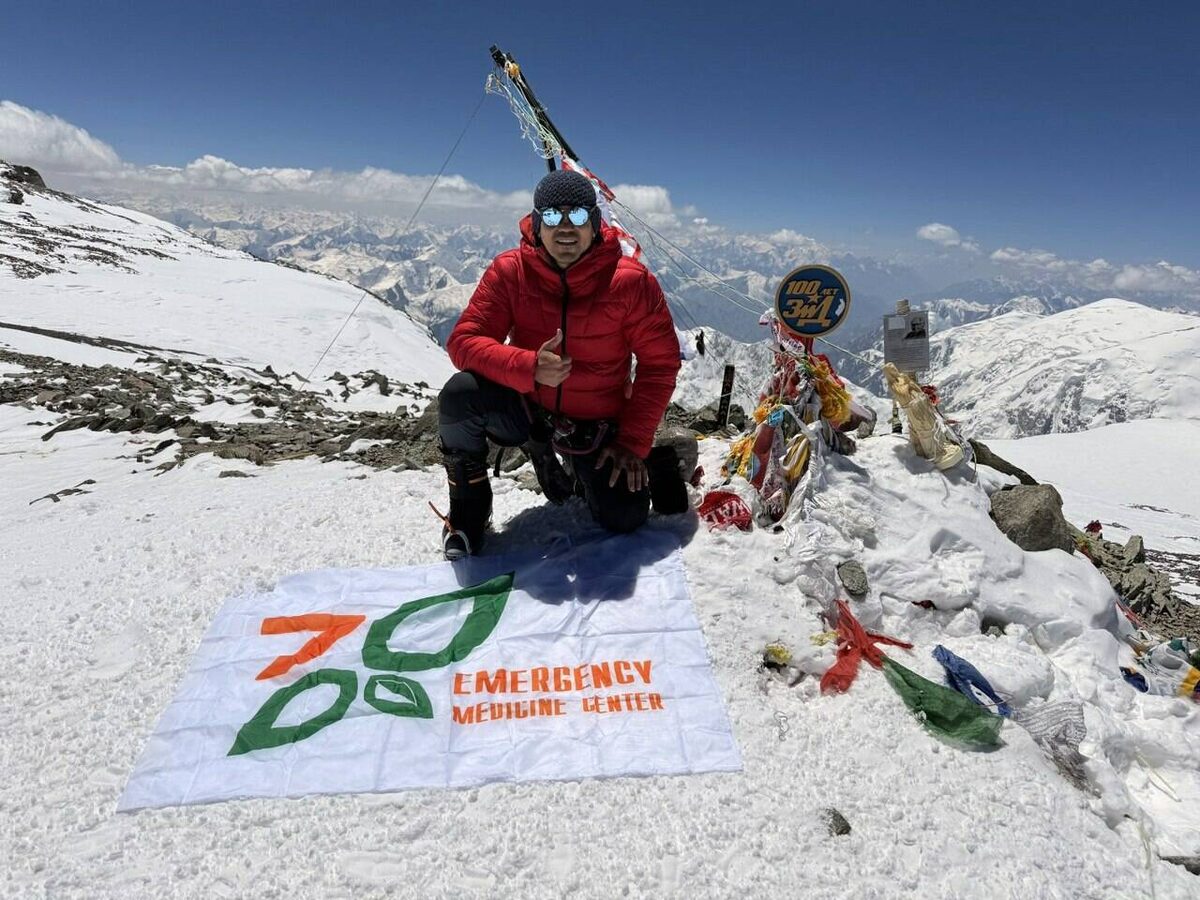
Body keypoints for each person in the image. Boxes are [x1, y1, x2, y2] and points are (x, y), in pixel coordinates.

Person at [436, 169, 682, 560]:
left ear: (596, 223)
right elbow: (463, 341)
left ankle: (644, 461)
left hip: (598, 424)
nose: (564, 227)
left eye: (578, 216)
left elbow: (660, 364)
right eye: (552, 216)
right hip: (530, 410)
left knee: (624, 516)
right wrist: (528, 366)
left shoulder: (631, 283)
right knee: (460, 395)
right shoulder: (510, 271)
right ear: (535, 224)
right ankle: (468, 513)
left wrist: (633, 443)